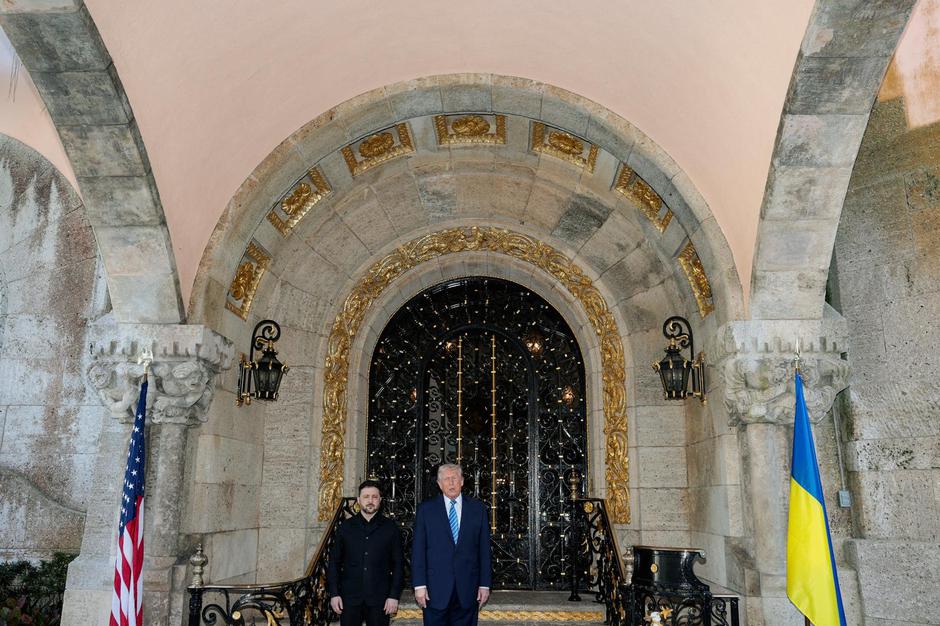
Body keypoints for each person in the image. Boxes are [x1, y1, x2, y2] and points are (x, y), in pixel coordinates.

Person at [412, 463, 492, 626]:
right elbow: (418, 550)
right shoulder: (425, 510)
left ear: (462, 481)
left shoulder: (478, 509)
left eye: (454, 478)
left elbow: (484, 550)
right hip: (435, 590)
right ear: (439, 484)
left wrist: (485, 584)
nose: (451, 483)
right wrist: (419, 585)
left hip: (468, 589)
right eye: (446, 479)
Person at [327, 480, 404, 626]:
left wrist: (394, 596)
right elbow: (334, 562)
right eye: (366, 497)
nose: (370, 501)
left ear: (380, 500)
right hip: (349, 598)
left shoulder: (390, 528)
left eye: (375, 497)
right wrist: (334, 593)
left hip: (380, 599)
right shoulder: (345, 528)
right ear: (358, 500)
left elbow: (398, 564)